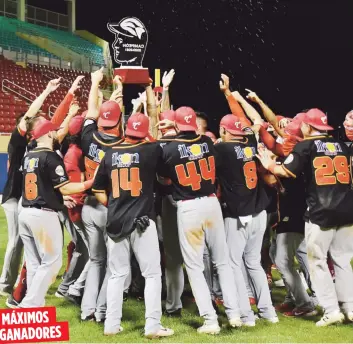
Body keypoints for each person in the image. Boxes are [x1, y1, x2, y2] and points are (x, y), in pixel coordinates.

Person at [257, 108, 353, 326]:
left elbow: (284, 172)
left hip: (321, 211)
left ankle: (331, 310)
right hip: (347, 209)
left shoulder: (305, 146)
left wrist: (269, 164)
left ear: (307, 126)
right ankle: (350, 307)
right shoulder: (341, 145)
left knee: (317, 262)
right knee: (342, 261)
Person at [158, 106, 241, 334]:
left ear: (175, 125)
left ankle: (210, 320)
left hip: (189, 206)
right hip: (212, 203)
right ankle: (234, 313)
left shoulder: (170, 149)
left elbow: (164, 179)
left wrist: (169, 134)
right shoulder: (206, 141)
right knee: (222, 262)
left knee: (194, 267)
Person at [92, 113, 174, 338]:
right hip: (142, 221)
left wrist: (116, 206)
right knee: (152, 274)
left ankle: (111, 324)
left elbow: (98, 189)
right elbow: (166, 178)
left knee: (117, 274)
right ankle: (152, 326)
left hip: (115, 220)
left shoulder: (109, 154)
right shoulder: (151, 150)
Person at [18, 119, 93, 308]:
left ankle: (34, 306)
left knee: (35, 263)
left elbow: (43, 184)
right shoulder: (51, 157)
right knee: (52, 262)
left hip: (26, 212)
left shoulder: (29, 155)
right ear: (49, 134)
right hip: (43, 216)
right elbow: (66, 187)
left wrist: (59, 199)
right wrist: (88, 184)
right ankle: (29, 305)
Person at [215, 114, 279, 325]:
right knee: (253, 262)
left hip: (238, 215)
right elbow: (255, 126)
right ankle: (269, 312)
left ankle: (246, 315)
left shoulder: (221, 149)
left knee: (233, 264)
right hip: (259, 212)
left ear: (223, 130)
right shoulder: (250, 143)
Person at [157, 110, 184, 317]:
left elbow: (164, 180)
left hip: (169, 201)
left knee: (173, 257)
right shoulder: (200, 142)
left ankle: (174, 305)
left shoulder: (158, 147)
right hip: (202, 203)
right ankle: (210, 298)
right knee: (200, 256)